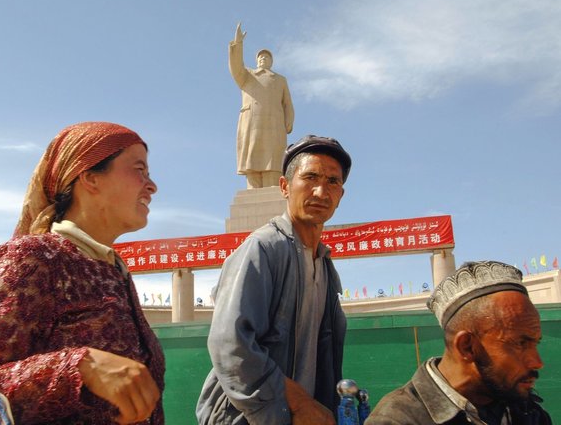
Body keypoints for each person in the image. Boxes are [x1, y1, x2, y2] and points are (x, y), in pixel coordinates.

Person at [0, 122, 165, 424]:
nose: (151, 186)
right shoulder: (34, 258)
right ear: (89, 177)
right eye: (139, 169)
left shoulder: (115, 272)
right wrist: (80, 365)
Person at [196, 135, 352, 424]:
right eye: (310, 177)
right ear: (284, 186)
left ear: (341, 195)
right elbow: (230, 344)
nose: (321, 191)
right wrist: (299, 402)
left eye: (333, 182)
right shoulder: (263, 248)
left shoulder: (325, 265)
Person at [367, 261, 551, 425]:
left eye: (536, 343)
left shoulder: (525, 409)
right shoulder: (397, 419)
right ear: (467, 346)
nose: (537, 362)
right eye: (520, 344)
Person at [229, 23, 295, 189]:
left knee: (273, 159)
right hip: (252, 123)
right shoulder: (247, 76)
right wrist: (238, 44)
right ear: (256, 60)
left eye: (266, 57)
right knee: (252, 160)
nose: (263, 59)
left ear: (271, 61)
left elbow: (287, 103)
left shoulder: (280, 80)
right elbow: (236, 66)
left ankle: (273, 188)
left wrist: (289, 119)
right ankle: (253, 190)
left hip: (274, 124)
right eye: (260, 57)